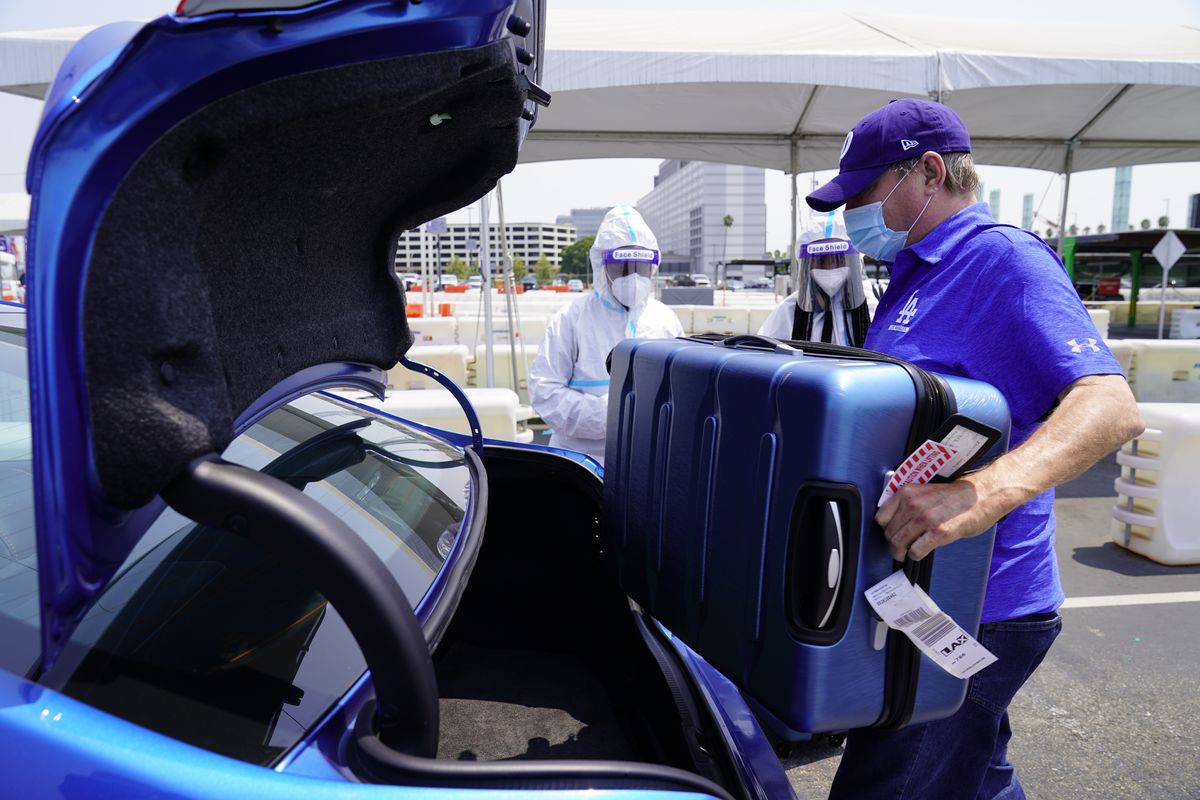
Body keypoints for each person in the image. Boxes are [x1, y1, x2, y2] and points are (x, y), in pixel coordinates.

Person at [805, 98, 1144, 800]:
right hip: (921, 591)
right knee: (975, 775)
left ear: (929, 173)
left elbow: (1109, 408)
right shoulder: (913, 275)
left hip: (978, 602)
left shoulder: (1003, 261)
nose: (853, 218)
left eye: (866, 194)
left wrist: (978, 493)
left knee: (888, 786)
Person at [528, 205, 683, 463]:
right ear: (602, 267)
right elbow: (545, 391)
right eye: (622, 267)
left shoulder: (665, 319)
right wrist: (607, 415)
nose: (632, 277)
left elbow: (680, 386)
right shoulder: (571, 319)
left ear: (653, 268)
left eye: (640, 268)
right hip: (580, 461)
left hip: (648, 458)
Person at [757, 210, 870, 345]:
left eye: (839, 259)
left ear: (855, 262)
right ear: (806, 265)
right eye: (821, 260)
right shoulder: (789, 311)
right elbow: (766, 355)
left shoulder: (876, 304)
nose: (830, 268)